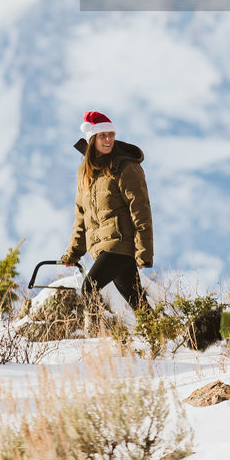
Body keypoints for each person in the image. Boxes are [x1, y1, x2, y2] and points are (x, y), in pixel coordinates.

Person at [60, 110, 153, 312]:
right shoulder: (85, 172)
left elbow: (141, 211)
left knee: (89, 288)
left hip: (120, 243)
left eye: (111, 134)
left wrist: (144, 252)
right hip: (103, 247)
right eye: (103, 135)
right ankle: (165, 338)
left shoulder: (126, 167)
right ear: (92, 139)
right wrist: (73, 253)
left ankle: (96, 334)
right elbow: (81, 218)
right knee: (138, 303)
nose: (108, 139)